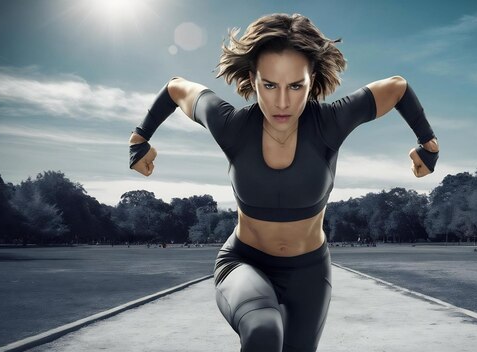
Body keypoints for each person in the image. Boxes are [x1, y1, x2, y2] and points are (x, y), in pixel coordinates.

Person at [129, 13, 439, 352]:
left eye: (295, 86)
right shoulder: (230, 126)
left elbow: (396, 87)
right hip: (244, 262)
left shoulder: (330, 124)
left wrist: (428, 143)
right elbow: (177, 87)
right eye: (269, 85)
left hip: (310, 273)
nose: (282, 102)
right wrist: (140, 137)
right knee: (263, 329)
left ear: (312, 80)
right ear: (252, 78)